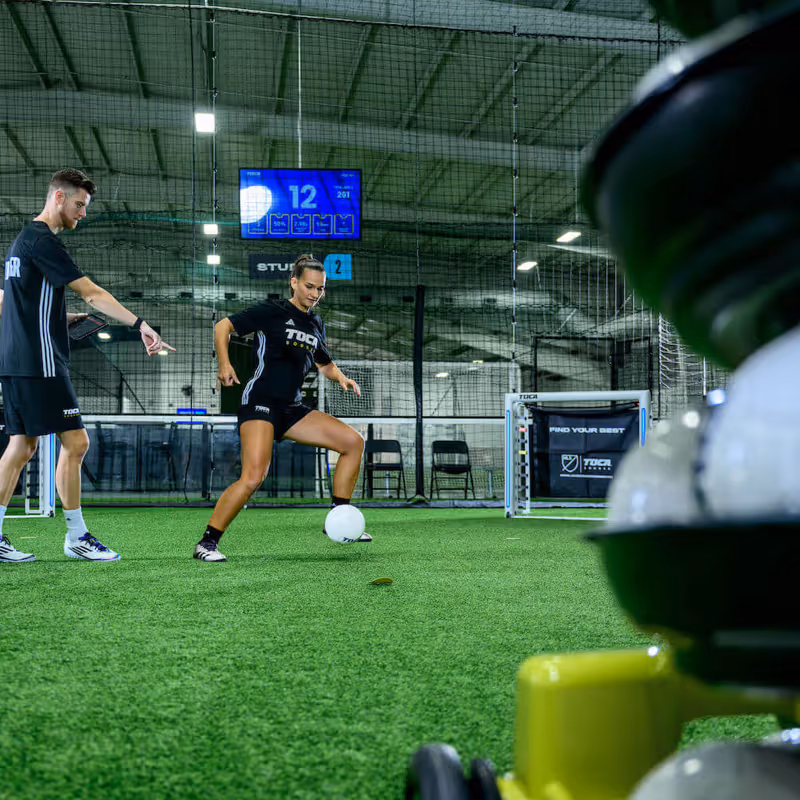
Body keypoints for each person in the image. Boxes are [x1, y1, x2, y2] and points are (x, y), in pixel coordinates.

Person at [0, 168, 175, 564]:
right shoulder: (42, 240)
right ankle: (77, 536)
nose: (82, 213)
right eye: (79, 204)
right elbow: (93, 294)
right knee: (75, 443)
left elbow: (14, 304)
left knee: (22, 446)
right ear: (58, 198)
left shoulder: (21, 243)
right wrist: (141, 324)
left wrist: (61, 318)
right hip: (40, 361)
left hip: (18, 359)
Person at [194, 253, 370, 562]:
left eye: (321, 288)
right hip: (260, 401)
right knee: (253, 477)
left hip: (293, 409)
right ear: (294, 283)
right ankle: (207, 543)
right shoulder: (271, 310)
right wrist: (224, 364)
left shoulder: (315, 322)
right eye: (310, 286)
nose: (315, 294)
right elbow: (223, 327)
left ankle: (337, 519)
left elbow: (324, 363)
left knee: (353, 443)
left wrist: (341, 377)